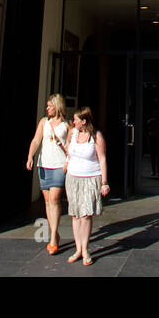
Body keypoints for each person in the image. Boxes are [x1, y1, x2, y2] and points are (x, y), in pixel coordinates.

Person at [26, 93, 70, 254]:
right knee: (47, 201)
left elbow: (70, 146)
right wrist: (30, 155)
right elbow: (36, 140)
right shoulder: (44, 122)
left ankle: (52, 238)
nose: (47, 108)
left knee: (54, 199)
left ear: (57, 106)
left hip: (59, 166)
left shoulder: (67, 125)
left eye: (50, 106)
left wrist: (67, 162)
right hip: (44, 165)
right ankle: (54, 233)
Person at [64, 107, 109, 266]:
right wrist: (67, 162)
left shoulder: (96, 136)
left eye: (76, 119)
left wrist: (104, 182)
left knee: (86, 214)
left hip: (90, 178)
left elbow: (102, 159)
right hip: (73, 178)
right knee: (75, 214)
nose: (73, 122)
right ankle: (78, 249)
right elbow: (69, 151)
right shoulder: (72, 133)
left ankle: (85, 249)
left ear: (84, 121)